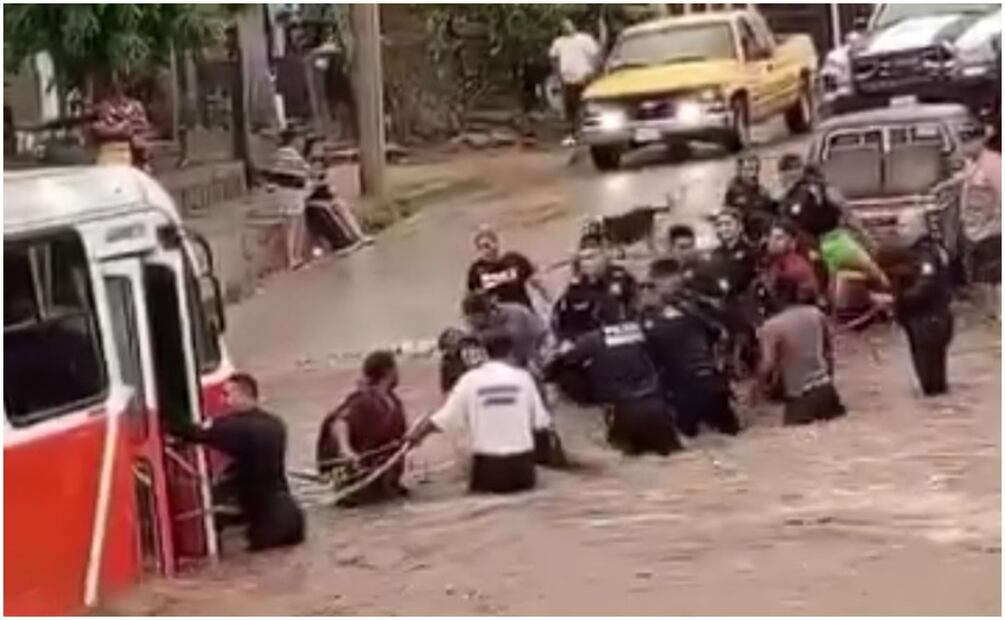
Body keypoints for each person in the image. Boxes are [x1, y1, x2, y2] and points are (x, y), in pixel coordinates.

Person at [409, 330, 554, 494]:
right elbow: (542, 423)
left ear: (484, 352)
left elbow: (443, 419)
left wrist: (417, 436)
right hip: (522, 466)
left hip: (489, 466)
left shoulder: (470, 380)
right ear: (511, 351)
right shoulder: (524, 378)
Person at [172, 373, 305, 552]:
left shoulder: (236, 428)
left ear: (243, 395)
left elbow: (193, 433)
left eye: (227, 394)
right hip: (292, 517)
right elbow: (252, 463)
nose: (223, 401)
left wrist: (164, 418)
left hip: (268, 525)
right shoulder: (275, 424)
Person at [548, 317, 683, 456]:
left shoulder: (591, 339)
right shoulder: (642, 330)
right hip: (658, 409)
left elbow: (556, 366)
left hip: (623, 412)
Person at [777, 155, 890, 312]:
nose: (792, 174)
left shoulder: (819, 187)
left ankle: (891, 298)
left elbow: (845, 210)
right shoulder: (784, 203)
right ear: (782, 174)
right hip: (812, 250)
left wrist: (865, 236)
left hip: (836, 239)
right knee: (827, 293)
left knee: (873, 273)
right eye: (788, 170)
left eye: (797, 168)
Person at [642, 260, 741, 438]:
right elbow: (721, 334)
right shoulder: (697, 310)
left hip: (685, 391)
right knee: (731, 432)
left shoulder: (651, 321)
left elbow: (649, 359)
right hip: (712, 385)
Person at [315, 351, 409, 505]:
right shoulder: (363, 400)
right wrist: (346, 451)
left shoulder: (391, 400)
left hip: (382, 480)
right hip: (362, 481)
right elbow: (340, 423)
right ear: (389, 371)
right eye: (396, 368)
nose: (399, 373)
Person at [880, 211, 954, 396]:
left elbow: (925, 286)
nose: (899, 231)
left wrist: (896, 300)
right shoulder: (931, 249)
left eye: (904, 226)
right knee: (935, 380)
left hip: (928, 320)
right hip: (933, 318)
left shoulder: (925, 254)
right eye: (898, 226)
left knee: (929, 380)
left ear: (919, 228)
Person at [757, 279, 846, 425]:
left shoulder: (771, 327)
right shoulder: (816, 314)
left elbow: (768, 365)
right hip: (827, 391)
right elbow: (829, 355)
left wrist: (758, 390)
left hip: (800, 397)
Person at [552, 233, 638, 344]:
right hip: (587, 340)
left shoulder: (622, 279)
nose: (586, 263)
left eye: (591, 257)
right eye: (582, 259)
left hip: (620, 337)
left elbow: (634, 308)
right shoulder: (576, 287)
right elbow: (563, 319)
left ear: (604, 256)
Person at [303, 136, 374, 254]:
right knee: (327, 209)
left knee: (341, 206)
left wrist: (326, 185)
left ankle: (357, 236)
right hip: (312, 198)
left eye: (321, 147)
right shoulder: (306, 163)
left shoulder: (323, 163)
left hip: (323, 195)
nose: (319, 150)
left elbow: (325, 181)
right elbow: (307, 183)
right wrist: (315, 183)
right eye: (317, 147)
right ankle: (342, 241)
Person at [466, 226, 550, 310]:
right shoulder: (476, 270)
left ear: (496, 243)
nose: (486, 251)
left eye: (487, 246)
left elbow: (536, 282)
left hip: (522, 311)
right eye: (480, 248)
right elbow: (472, 297)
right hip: (498, 315)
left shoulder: (515, 260)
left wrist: (548, 300)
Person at [463, 292, 549, 373]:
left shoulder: (514, 312)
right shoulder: (477, 326)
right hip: (510, 357)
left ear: (489, 313)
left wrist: (482, 336)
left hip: (536, 345)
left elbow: (517, 335)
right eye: (469, 320)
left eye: (476, 319)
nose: (473, 324)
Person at [549, 18, 601, 145]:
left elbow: (595, 56)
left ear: (574, 26)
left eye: (568, 25)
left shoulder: (585, 39)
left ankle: (587, 132)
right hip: (568, 80)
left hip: (584, 78)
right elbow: (554, 58)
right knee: (571, 108)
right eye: (564, 26)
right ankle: (573, 134)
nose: (567, 28)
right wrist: (558, 75)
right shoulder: (559, 42)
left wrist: (592, 72)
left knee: (586, 106)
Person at [268, 128, 312, 269]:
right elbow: (306, 171)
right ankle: (292, 259)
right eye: (300, 139)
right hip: (290, 195)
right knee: (292, 228)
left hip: (285, 195)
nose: (302, 142)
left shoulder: (279, 154)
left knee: (293, 226)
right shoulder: (291, 155)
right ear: (293, 140)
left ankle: (295, 257)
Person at [90, 74, 152, 171]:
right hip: (109, 150)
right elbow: (97, 129)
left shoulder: (135, 106)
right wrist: (122, 127)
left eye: (121, 88)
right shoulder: (103, 107)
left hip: (132, 150)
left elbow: (143, 126)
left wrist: (126, 128)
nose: (119, 92)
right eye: (115, 89)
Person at [764, 220, 823, 304]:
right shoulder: (775, 261)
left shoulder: (794, 267)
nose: (772, 242)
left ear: (792, 242)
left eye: (779, 238)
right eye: (770, 236)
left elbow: (779, 303)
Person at [724, 153, 777, 244]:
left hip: (765, 235)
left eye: (755, 169)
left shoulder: (762, 191)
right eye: (748, 170)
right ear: (739, 171)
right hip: (747, 239)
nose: (752, 174)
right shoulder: (734, 192)